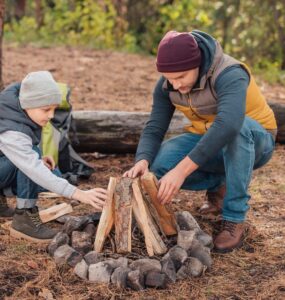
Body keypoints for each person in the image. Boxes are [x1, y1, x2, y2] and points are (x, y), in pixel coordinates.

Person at [124, 30, 277, 253]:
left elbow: (229, 124)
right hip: (209, 138)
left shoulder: (230, 73)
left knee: (237, 129)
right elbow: (155, 125)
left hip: (256, 139)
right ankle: (220, 185)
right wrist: (142, 159)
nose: (175, 85)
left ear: (198, 64)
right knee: (160, 165)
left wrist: (182, 170)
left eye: (181, 77)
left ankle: (234, 216)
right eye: (169, 78)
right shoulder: (169, 83)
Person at [0, 71, 108, 241]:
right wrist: (79, 194)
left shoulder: (15, 106)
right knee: (36, 170)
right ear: (29, 104)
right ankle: (24, 218)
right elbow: (31, 167)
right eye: (46, 110)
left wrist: (39, 156)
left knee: (44, 168)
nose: (51, 115)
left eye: (54, 109)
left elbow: (14, 150)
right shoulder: (13, 131)